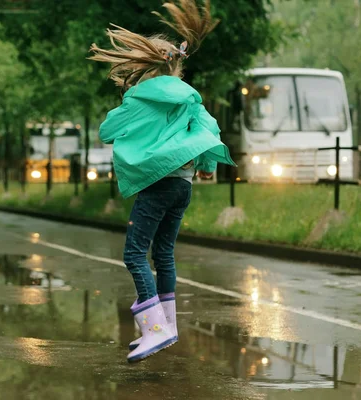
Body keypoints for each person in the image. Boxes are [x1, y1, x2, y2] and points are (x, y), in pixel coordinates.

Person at [88, 0, 236, 363]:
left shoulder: (139, 98)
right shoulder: (192, 99)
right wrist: (207, 166)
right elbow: (210, 130)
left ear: (148, 67)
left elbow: (107, 131)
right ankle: (167, 326)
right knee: (164, 253)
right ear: (178, 66)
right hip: (183, 185)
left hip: (157, 183)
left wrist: (127, 104)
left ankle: (154, 331)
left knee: (134, 254)